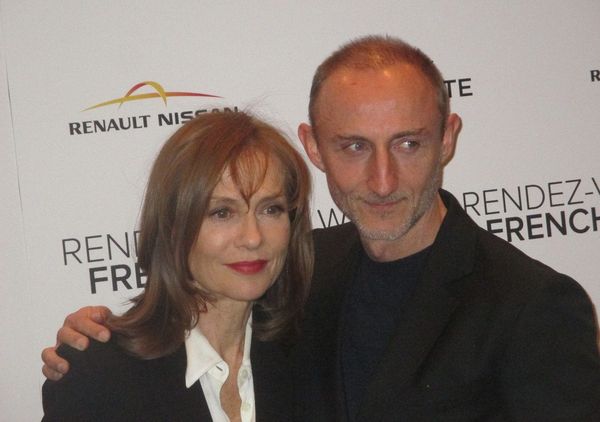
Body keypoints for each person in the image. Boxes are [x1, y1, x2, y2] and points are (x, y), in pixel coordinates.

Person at [43, 36, 600, 421]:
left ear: (447, 138)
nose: (383, 180)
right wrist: (101, 340)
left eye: (408, 143)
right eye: (354, 146)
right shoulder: (302, 273)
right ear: (315, 147)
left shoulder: (534, 305)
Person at [41, 111, 313, 421]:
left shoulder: (311, 359)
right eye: (222, 212)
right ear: (173, 226)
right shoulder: (100, 377)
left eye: (270, 209)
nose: (252, 238)